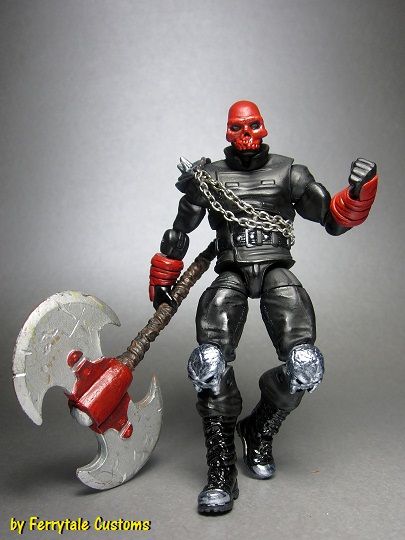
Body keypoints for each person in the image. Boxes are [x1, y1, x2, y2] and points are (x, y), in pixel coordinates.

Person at [149, 100, 378, 514]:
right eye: (237, 128)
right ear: (227, 132)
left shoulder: (290, 173)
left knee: (306, 364)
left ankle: (259, 429)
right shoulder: (210, 177)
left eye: (252, 125)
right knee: (208, 362)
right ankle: (221, 471)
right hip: (232, 271)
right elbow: (179, 229)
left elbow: (332, 219)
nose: (246, 135)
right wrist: (164, 275)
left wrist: (360, 191)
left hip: (276, 271)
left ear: (263, 127)